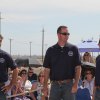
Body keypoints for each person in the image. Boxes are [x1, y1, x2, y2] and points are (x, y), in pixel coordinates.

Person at [43, 25, 81, 100]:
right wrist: (45, 86)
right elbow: (47, 70)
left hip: (69, 85)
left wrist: (76, 84)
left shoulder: (74, 49)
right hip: (54, 85)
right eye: (65, 34)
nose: (67, 36)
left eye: (68, 34)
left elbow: (78, 68)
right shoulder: (51, 50)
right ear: (58, 35)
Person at [0, 34, 18, 100]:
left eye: (0, 40)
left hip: (1, 87)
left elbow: (15, 69)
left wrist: (10, 85)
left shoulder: (5, 55)